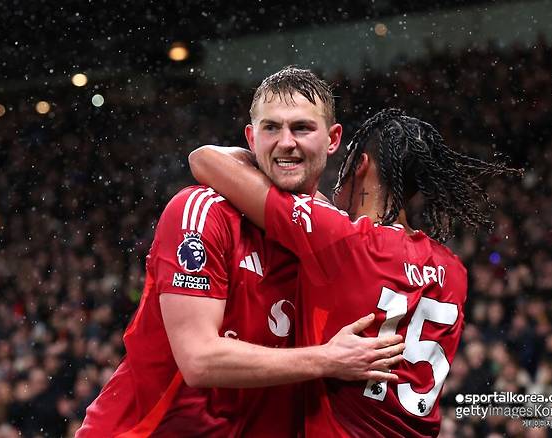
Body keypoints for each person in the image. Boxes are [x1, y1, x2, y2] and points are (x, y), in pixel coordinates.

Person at [76, 68, 405, 437]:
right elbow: (199, 360)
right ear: (251, 138)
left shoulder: (332, 237)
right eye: (271, 128)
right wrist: (328, 359)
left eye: (301, 128)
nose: (286, 142)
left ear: (332, 139)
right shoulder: (201, 211)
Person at [189, 107, 520, 437]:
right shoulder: (453, 270)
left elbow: (204, 160)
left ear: (360, 164)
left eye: (347, 158)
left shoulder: (340, 239)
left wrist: (271, 156)